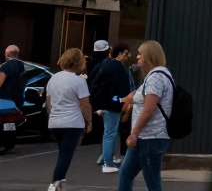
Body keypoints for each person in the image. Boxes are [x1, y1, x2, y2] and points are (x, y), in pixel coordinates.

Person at [117, 41, 173, 191]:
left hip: (150, 138)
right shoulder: (155, 76)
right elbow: (135, 96)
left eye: (140, 53)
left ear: (150, 56)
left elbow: (149, 109)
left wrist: (134, 133)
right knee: (126, 173)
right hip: (145, 137)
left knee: (152, 182)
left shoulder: (156, 78)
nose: (137, 56)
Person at [46, 47, 92, 191]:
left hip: (55, 121)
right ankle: (55, 186)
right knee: (65, 156)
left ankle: (60, 184)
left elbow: (49, 103)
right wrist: (89, 121)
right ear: (78, 62)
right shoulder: (79, 81)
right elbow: (85, 105)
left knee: (63, 153)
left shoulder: (53, 78)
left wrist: (52, 116)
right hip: (72, 122)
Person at [93, 44, 134, 172]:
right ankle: (108, 163)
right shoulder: (119, 68)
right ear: (121, 53)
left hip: (106, 103)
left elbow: (97, 82)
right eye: (126, 53)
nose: (128, 56)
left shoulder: (107, 65)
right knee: (111, 133)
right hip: (112, 104)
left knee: (109, 132)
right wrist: (122, 101)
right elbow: (123, 89)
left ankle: (107, 159)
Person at [0, 45, 24, 111]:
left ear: (7, 54)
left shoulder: (6, 66)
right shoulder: (21, 65)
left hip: (5, 102)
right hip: (18, 101)